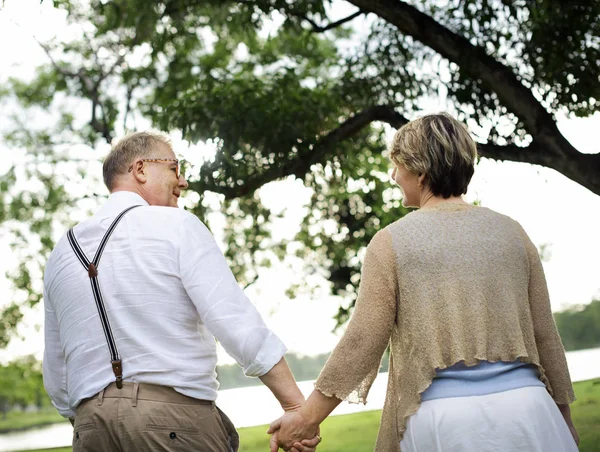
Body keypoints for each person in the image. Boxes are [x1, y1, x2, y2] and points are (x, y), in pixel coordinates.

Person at [268, 113, 579, 452]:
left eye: (398, 165)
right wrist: (562, 418)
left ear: (420, 171)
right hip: (532, 412)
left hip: (445, 423)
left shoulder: (390, 242)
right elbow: (545, 335)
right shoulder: (513, 232)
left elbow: (362, 341)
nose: (394, 175)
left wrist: (307, 418)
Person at [43, 131, 319, 452]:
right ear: (141, 169)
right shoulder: (177, 225)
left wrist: (90, 420)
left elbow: (56, 370)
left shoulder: (63, 251)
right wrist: (297, 408)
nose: (183, 181)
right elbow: (236, 324)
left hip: (90, 428)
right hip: (173, 423)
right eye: (174, 167)